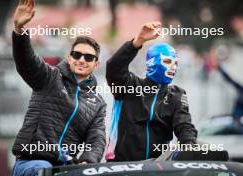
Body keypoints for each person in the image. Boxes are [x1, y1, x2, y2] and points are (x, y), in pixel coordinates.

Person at [12, 0, 106, 175]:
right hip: (31, 162)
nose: (81, 60)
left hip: (65, 167)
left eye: (88, 57)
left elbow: (97, 139)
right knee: (44, 170)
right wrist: (19, 31)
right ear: (69, 58)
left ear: (96, 64)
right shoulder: (50, 77)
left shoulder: (98, 103)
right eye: (76, 55)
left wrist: (88, 160)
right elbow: (26, 61)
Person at [105, 21, 197, 161]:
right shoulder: (129, 85)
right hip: (122, 166)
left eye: (175, 63)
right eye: (167, 61)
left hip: (158, 168)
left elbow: (185, 127)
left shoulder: (176, 95)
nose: (172, 67)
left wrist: (190, 150)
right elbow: (114, 66)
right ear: (151, 62)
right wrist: (138, 41)